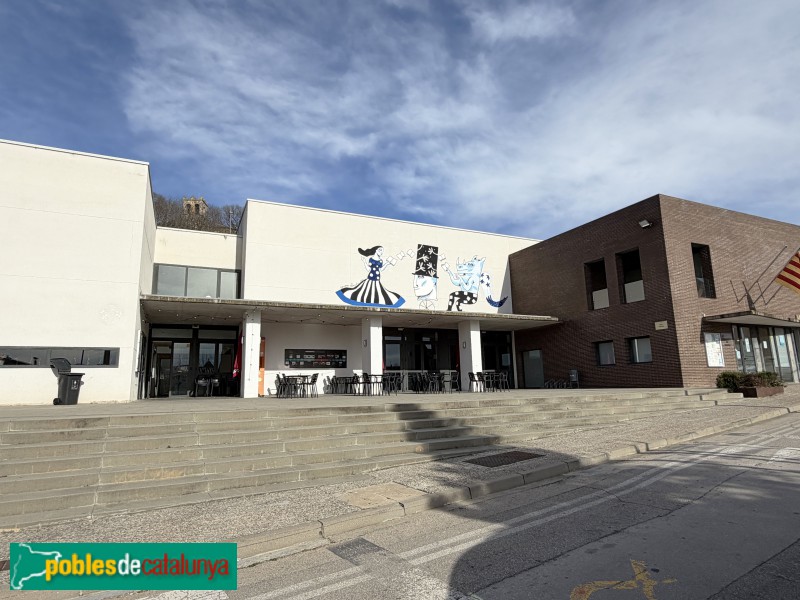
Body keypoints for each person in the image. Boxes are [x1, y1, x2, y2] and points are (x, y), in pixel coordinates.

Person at [336, 246, 405, 307]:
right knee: (366, 290)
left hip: (377, 279)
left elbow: (381, 269)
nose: (381, 252)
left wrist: (387, 263)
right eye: (380, 250)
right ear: (376, 250)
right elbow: (369, 269)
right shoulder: (371, 259)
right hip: (371, 278)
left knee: (377, 291)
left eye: (382, 251)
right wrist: (364, 262)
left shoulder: (380, 261)